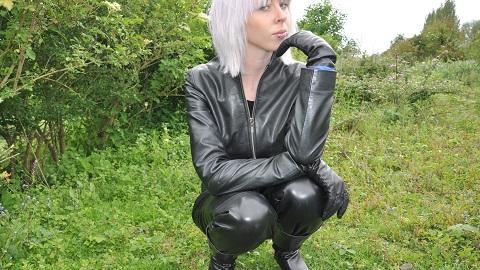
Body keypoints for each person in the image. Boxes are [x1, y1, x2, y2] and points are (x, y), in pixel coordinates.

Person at [184, 0, 349, 269]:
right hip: (224, 197)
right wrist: (310, 166)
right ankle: (223, 260)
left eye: (283, 4)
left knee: (306, 195)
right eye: (264, 7)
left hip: (281, 186)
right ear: (234, 18)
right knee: (247, 214)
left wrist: (322, 66)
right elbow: (214, 173)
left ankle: (287, 252)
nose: (282, 16)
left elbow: (305, 152)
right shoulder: (202, 80)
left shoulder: (299, 76)